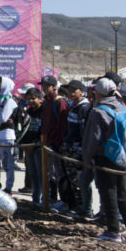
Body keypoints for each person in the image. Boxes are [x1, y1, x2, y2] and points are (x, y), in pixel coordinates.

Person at [82, 77, 126, 243]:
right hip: (121, 156)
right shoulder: (121, 107)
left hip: (104, 157)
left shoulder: (98, 111)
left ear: (99, 92)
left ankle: (113, 230)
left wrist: (87, 158)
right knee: (122, 192)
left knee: (107, 192)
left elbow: (93, 138)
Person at [61, 80, 92, 216]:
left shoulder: (84, 108)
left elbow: (84, 131)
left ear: (81, 91)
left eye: (74, 90)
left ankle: (85, 207)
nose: (71, 92)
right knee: (72, 179)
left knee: (79, 180)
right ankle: (76, 205)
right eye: (69, 89)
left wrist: (80, 149)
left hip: (77, 149)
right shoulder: (73, 106)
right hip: (68, 147)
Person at [40, 75, 68, 206]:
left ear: (54, 86)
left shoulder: (59, 101)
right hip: (46, 141)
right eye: (43, 85)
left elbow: (62, 124)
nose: (44, 88)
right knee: (49, 172)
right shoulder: (45, 102)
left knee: (59, 172)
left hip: (56, 143)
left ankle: (63, 200)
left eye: (47, 86)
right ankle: (50, 197)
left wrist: (57, 141)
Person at [22, 87, 44, 205]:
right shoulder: (28, 112)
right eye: (28, 99)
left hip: (38, 147)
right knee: (33, 174)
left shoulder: (44, 112)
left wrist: (35, 143)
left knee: (41, 175)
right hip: (28, 147)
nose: (30, 101)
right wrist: (24, 144)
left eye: (33, 99)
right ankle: (35, 199)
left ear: (40, 99)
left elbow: (44, 130)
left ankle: (44, 200)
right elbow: (25, 129)